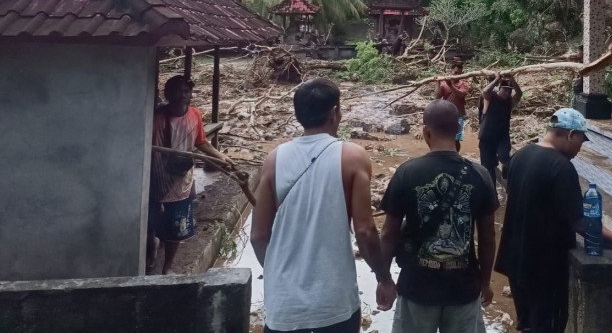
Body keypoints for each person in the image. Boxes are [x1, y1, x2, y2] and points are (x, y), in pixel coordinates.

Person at [250, 78, 394, 333]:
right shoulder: (352, 157)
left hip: (284, 306)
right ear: (334, 112)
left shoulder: (274, 159)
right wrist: (384, 278)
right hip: (334, 304)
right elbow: (364, 231)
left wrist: (280, 275)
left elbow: (259, 236)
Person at [496, 109, 612, 333]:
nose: (580, 148)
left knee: (528, 325)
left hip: (516, 262)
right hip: (544, 269)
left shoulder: (521, 155)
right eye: (581, 140)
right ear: (570, 135)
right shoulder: (561, 167)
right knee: (548, 326)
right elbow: (581, 223)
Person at [379, 100, 498, 333]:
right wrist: (485, 281)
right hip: (463, 290)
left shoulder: (407, 172)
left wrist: (384, 280)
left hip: (417, 288)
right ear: (458, 130)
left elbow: (388, 234)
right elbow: (488, 237)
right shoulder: (481, 175)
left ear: (426, 131)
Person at [149, 75, 235, 275]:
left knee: (178, 226)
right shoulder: (156, 118)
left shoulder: (195, 114)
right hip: (156, 178)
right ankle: (151, 249)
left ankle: (167, 268)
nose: (182, 95)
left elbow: (201, 142)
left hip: (182, 180)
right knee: (152, 221)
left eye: (186, 91)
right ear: (167, 94)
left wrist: (222, 157)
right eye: (177, 91)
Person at [478, 74, 522, 187]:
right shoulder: (491, 97)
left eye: (509, 91)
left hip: (502, 136)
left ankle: (507, 177)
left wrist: (513, 80)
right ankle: (491, 191)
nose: (507, 93)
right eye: (505, 90)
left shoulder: (509, 102)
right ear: (500, 88)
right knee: (487, 167)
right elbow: (485, 90)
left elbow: (519, 94)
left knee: (505, 157)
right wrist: (497, 79)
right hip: (486, 137)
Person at [435, 58, 470, 153]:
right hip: (445, 115)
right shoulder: (443, 84)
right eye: (455, 73)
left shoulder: (464, 84)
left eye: (459, 73)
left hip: (458, 115)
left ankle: (455, 155)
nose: (456, 75)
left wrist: (451, 85)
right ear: (451, 71)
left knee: (456, 139)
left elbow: (461, 94)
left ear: (462, 73)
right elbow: (437, 97)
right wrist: (438, 83)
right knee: (444, 137)